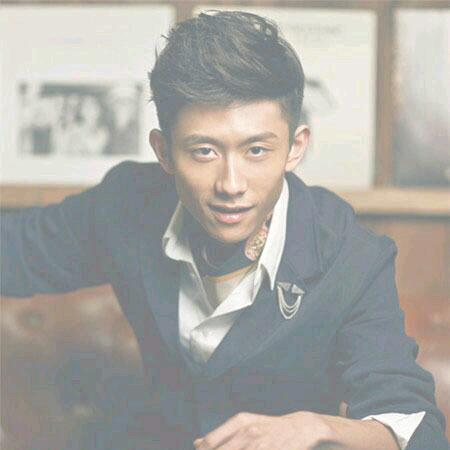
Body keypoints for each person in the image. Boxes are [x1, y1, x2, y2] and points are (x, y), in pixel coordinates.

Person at [1, 11, 447, 450]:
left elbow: (417, 430)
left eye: (256, 150)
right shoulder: (127, 205)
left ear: (295, 147)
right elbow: (12, 251)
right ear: (164, 151)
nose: (231, 185)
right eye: (204, 151)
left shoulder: (351, 257)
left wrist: (317, 428)